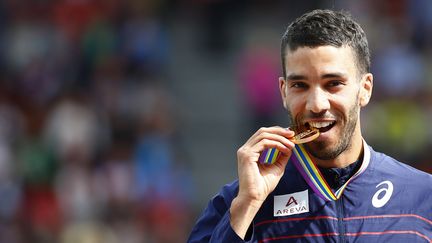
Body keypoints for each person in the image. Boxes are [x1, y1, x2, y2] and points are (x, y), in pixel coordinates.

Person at [188, 9, 432, 242]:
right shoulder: (236, 204)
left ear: (365, 89)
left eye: (333, 83)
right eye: (300, 85)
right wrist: (247, 205)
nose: (316, 104)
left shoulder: (422, 195)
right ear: (283, 92)